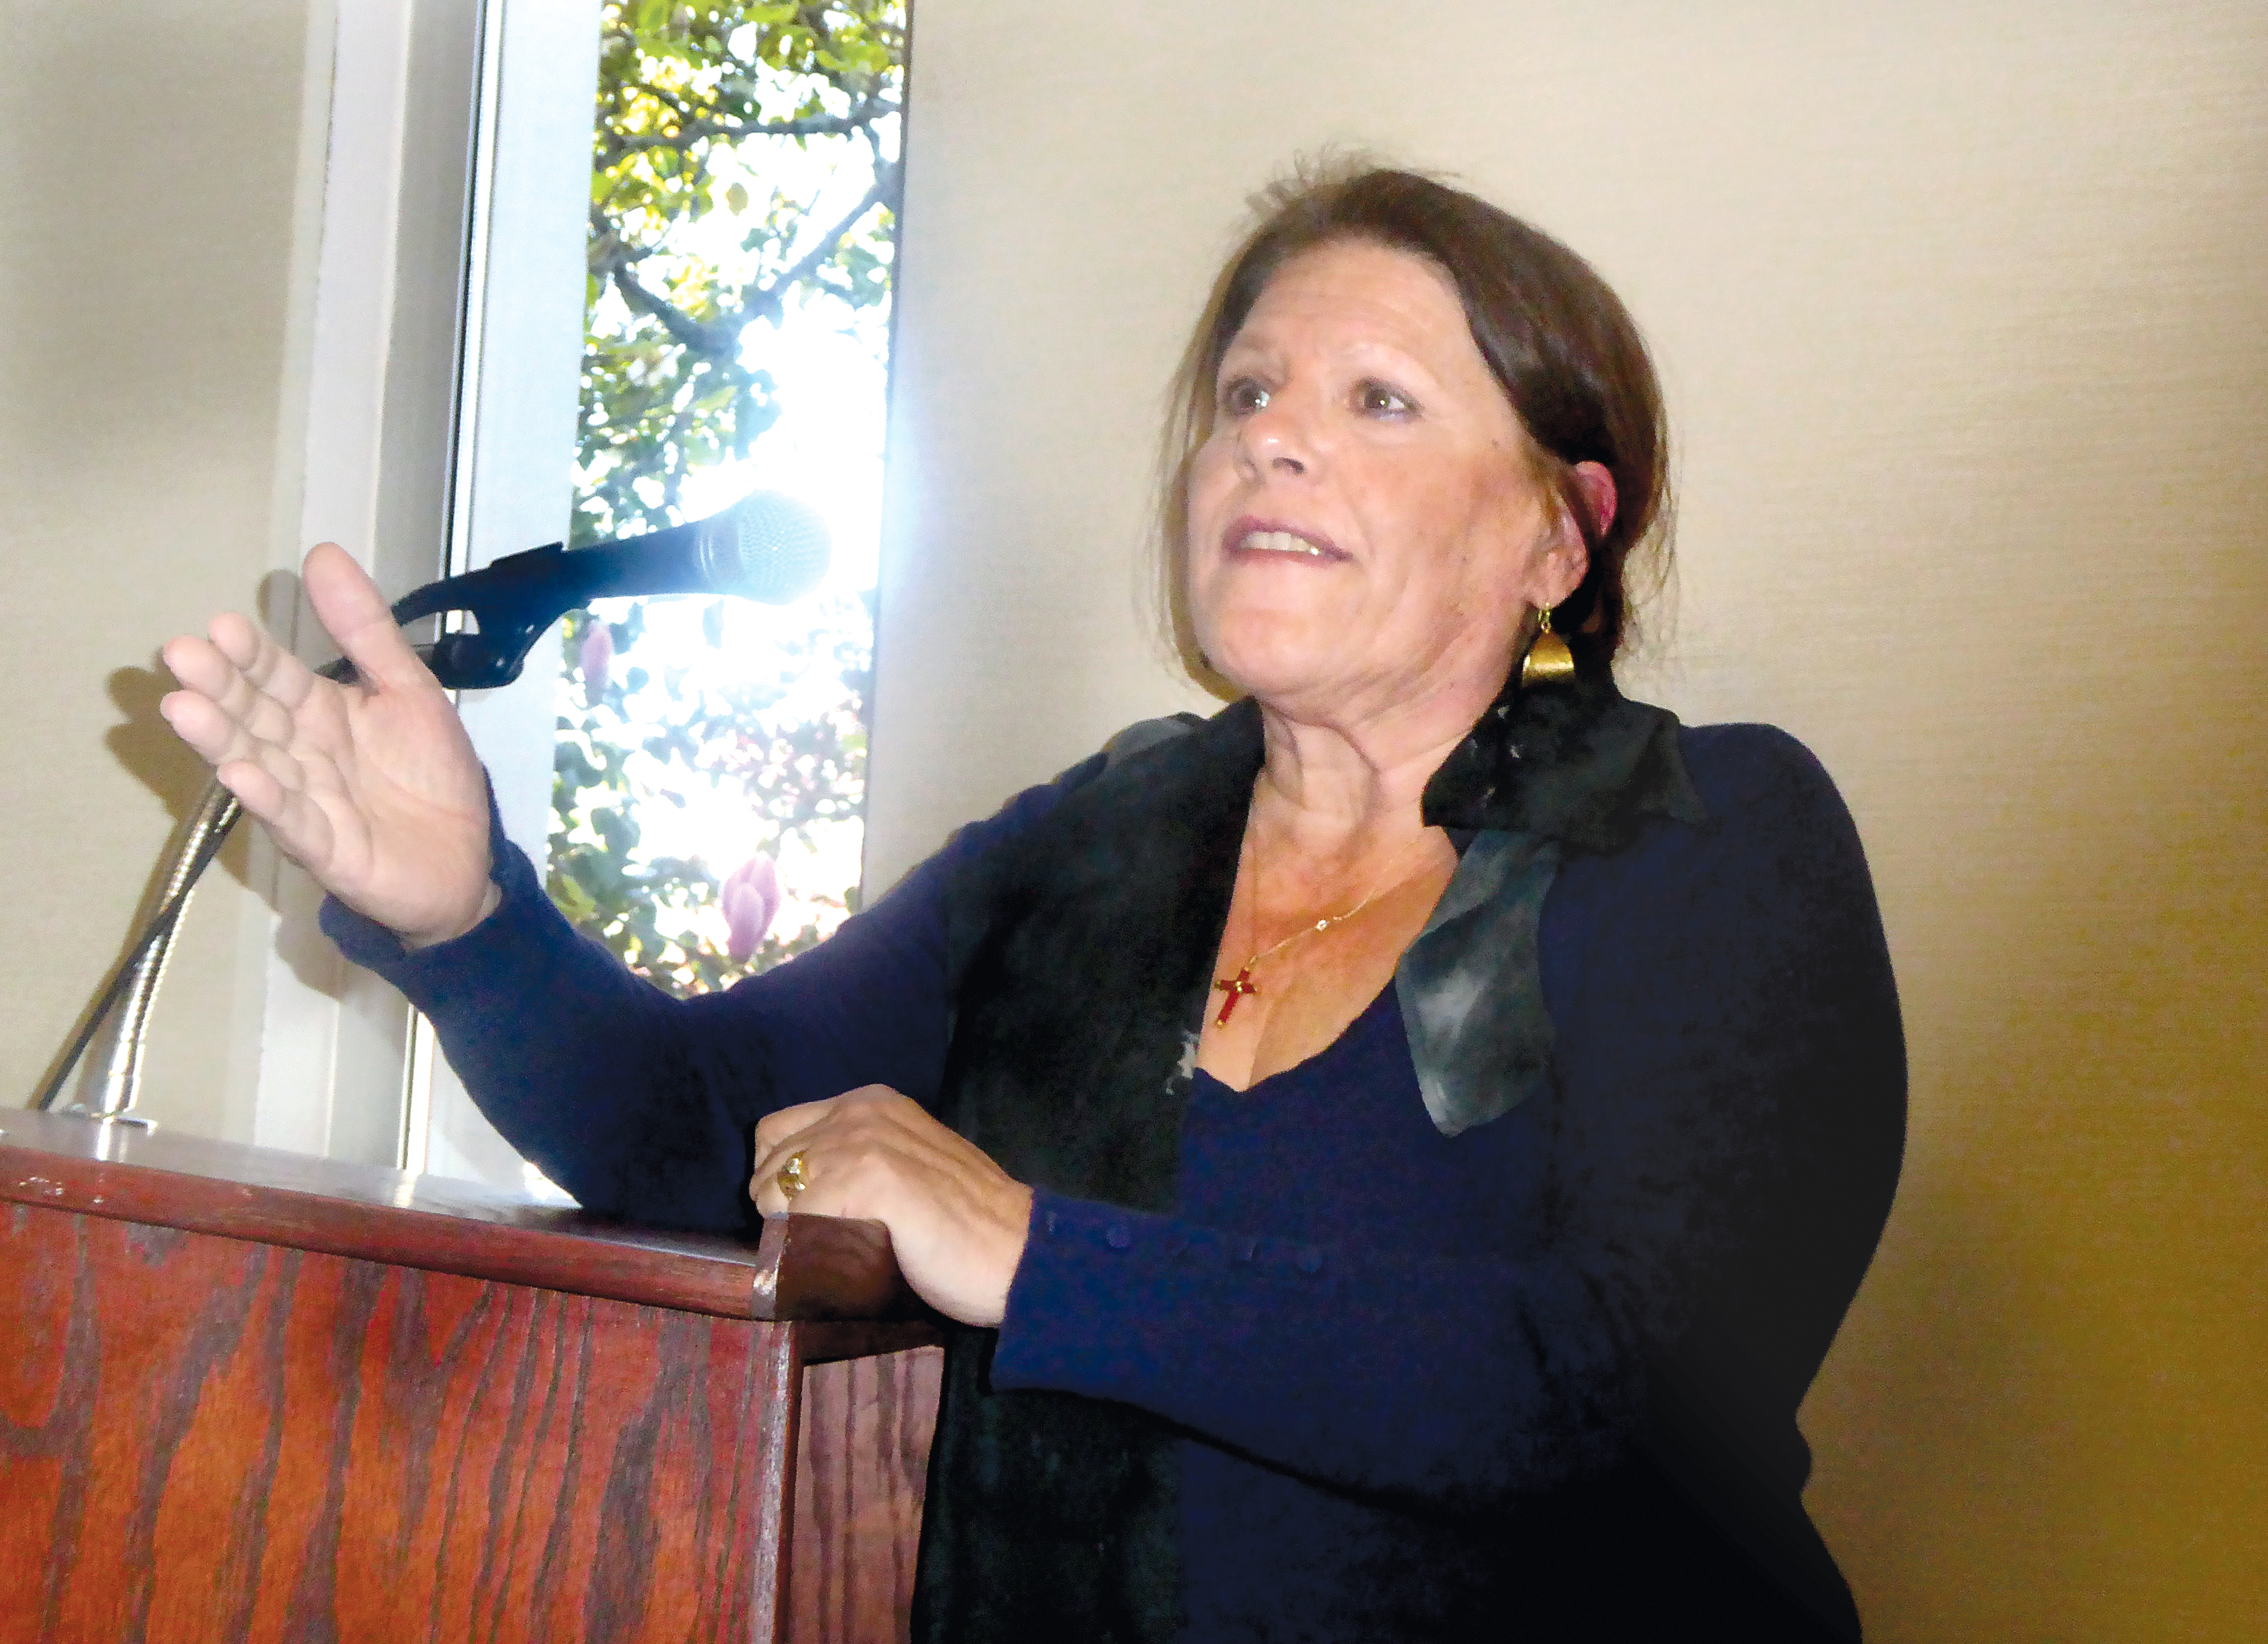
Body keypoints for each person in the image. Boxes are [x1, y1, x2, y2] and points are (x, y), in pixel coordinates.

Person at [161, 164, 1905, 1641]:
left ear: (1557, 534)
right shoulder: (1090, 839)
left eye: (1374, 401)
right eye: (1244, 395)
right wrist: (469, 919)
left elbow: (1630, 1384)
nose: (1272, 442)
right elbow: (708, 1137)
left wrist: (1028, 1248)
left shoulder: (1713, 830)